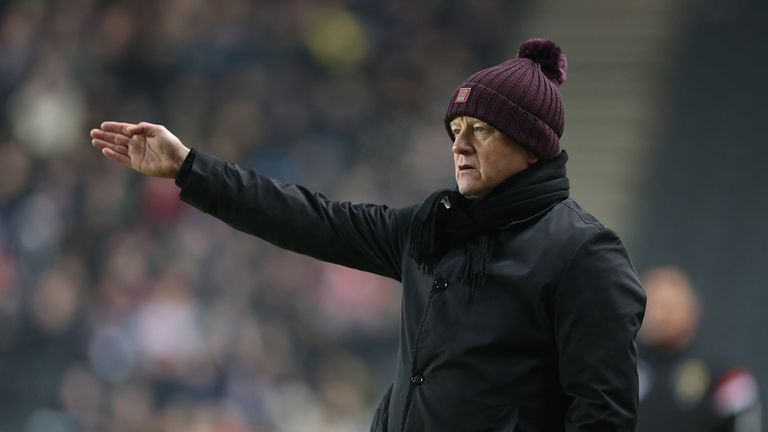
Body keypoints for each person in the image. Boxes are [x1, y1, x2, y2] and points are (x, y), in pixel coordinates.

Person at [90, 39, 646, 431]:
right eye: (455, 129)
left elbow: (603, 415)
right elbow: (311, 219)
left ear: (531, 147)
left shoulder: (583, 253)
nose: (459, 144)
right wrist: (190, 168)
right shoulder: (432, 227)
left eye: (481, 129)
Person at [637, 266, 761, 432]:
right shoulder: (624, 370)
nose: (657, 315)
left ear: (691, 309)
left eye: (666, 307)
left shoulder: (724, 377)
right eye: (651, 306)